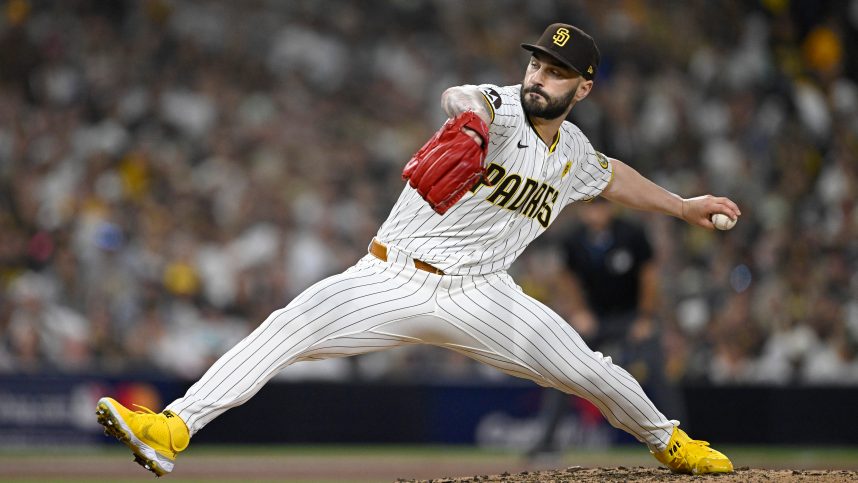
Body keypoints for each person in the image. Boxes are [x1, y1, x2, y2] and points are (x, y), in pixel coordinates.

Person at [96, 23, 739, 477]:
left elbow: (613, 175)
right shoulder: (499, 106)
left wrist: (683, 206)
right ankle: (172, 428)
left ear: (584, 89)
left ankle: (670, 442)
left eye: (558, 72)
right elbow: (461, 97)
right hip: (391, 277)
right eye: (537, 64)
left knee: (591, 370)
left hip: (483, 293)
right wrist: (479, 123)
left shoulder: (571, 152)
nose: (540, 77)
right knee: (287, 325)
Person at [527, 198, 684, 457]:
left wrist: (645, 317)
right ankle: (547, 441)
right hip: (595, 318)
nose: (595, 213)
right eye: (590, 207)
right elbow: (567, 278)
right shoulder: (574, 239)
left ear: (610, 208)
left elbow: (649, 276)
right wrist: (579, 311)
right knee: (562, 369)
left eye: (600, 206)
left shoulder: (631, 233)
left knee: (657, 372)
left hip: (630, 316)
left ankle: (683, 439)